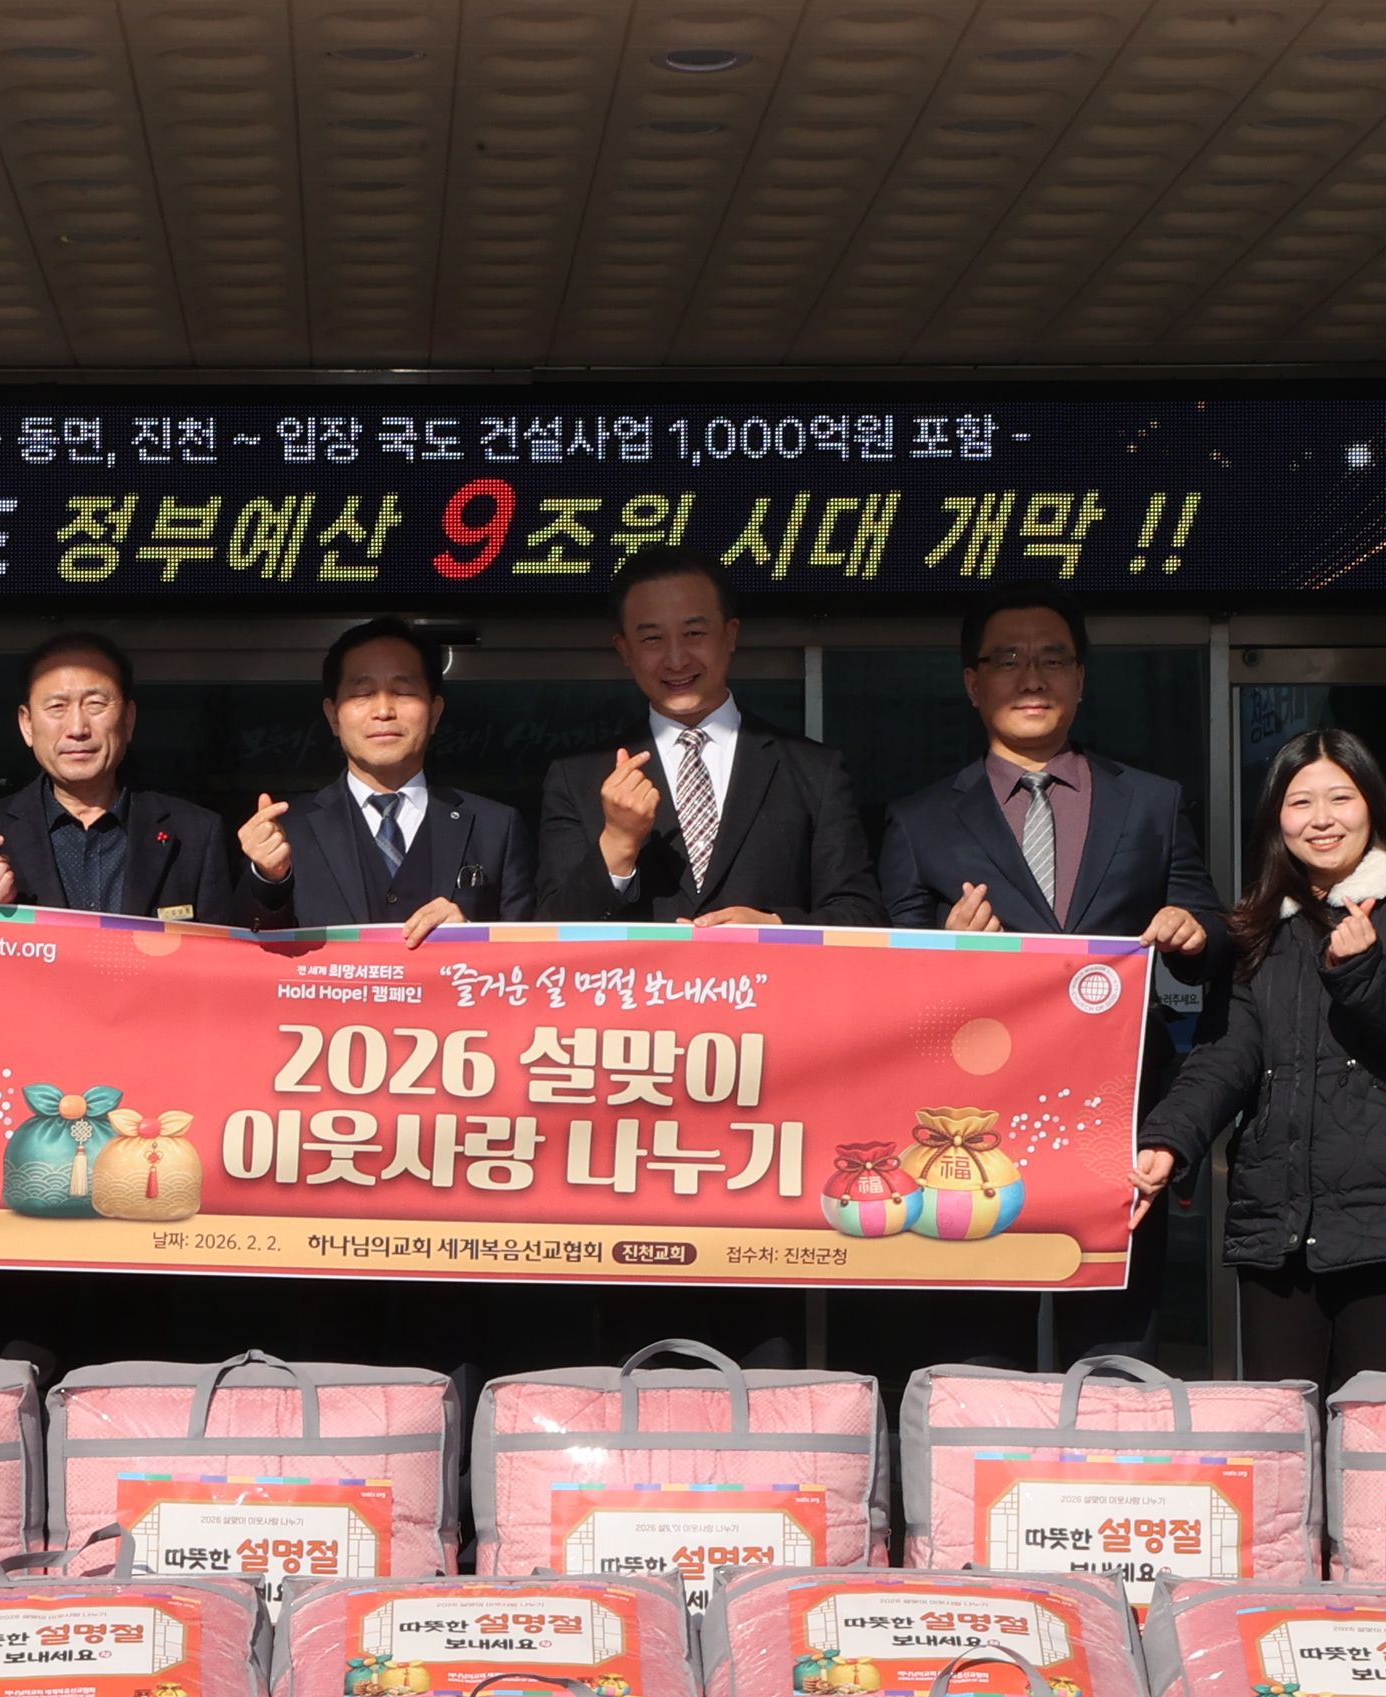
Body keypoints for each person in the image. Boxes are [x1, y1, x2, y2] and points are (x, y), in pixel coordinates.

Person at [876, 585, 1226, 1350]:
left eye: (1052, 660)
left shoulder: (1151, 803)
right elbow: (891, 993)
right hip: (975, 1132)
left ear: (1081, 677)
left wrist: (1194, 934)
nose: (1032, 678)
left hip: (1115, 1124)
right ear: (973, 682)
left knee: (1112, 1358)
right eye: (1008, 660)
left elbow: (1213, 940)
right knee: (976, 1362)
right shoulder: (920, 819)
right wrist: (944, 951)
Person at [1128, 728, 1386, 1393]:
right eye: (1300, 802)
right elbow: (1226, 1052)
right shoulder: (1261, 923)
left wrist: (1363, 967)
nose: (1321, 819)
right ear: (1276, 820)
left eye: (1340, 798)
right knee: (1281, 1428)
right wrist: (1168, 1140)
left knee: (1377, 1428)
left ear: (1372, 806)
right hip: (1275, 1221)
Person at [537, 547, 879, 925]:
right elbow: (548, 932)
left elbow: (863, 915)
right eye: (652, 639)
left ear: (730, 634)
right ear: (625, 649)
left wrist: (776, 928)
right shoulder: (577, 778)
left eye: (694, 633)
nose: (677, 659)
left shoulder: (815, 770)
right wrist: (617, 843)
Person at [240, 618, 536, 937]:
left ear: (434, 713)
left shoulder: (496, 828)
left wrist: (468, 934)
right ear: (332, 715)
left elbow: (530, 951)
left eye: (403, 691)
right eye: (363, 693)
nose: (383, 711)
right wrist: (269, 878)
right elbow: (243, 946)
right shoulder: (287, 832)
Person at [0, 631, 248, 924]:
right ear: (27, 724)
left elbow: (222, 953)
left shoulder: (195, 833)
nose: (77, 728)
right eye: (57, 707)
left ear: (128, 719)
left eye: (96, 704)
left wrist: (268, 880)